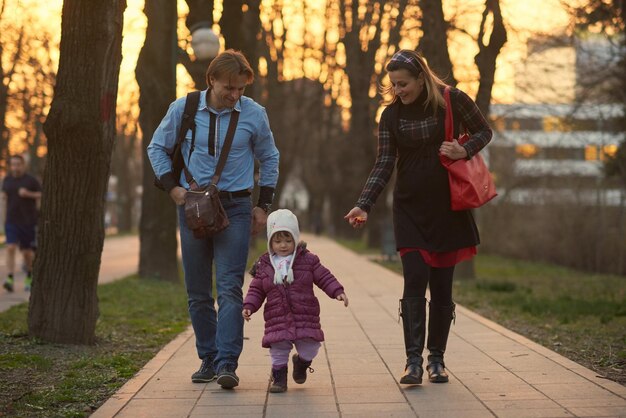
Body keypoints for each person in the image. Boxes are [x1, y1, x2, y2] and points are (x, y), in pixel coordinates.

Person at [345, 50, 493, 385]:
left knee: (442, 287)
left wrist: (464, 149)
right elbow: (384, 163)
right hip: (409, 207)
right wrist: (363, 204)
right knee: (414, 278)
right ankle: (413, 361)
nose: (398, 90)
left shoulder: (452, 100)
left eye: (404, 83)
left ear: (421, 78)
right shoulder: (391, 116)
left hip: (449, 208)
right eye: (393, 85)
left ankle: (436, 360)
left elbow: (485, 131)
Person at [147, 50, 280, 389]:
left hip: (235, 207)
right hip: (191, 207)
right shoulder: (185, 108)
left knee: (230, 287)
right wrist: (173, 189)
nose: (235, 95)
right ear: (212, 81)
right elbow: (156, 147)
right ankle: (207, 357)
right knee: (197, 289)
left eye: (241, 90)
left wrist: (263, 205)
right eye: (229, 88)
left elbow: (269, 157)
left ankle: (227, 363)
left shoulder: (254, 115)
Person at [242, 209, 348, 393]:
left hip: (305, 314)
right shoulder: (265, 264)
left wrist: (337, 291)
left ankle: (301, 362)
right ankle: (279, 380)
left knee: (311, 348)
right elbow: (256, 289)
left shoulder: (308, 260)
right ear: (270, 242)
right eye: (278, 241)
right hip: (277, 316)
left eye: (288, 240)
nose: (283, 245)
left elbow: (324, 277)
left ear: (296, 239)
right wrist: (249, 306)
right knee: (278, 349)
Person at [1, 155, 42, 293]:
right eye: (13, 164)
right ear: (10, 166)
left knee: (27, 253)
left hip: (28, 222)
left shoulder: (31, 180)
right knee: (10, 247)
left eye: (18, 164)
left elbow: (42, 195)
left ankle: (29, 277)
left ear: (23, 165)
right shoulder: (6, 180)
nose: (15, 167)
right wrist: (4, 220)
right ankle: (10, 278)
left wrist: (28, 194)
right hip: (11, 221)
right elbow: (5, 200)